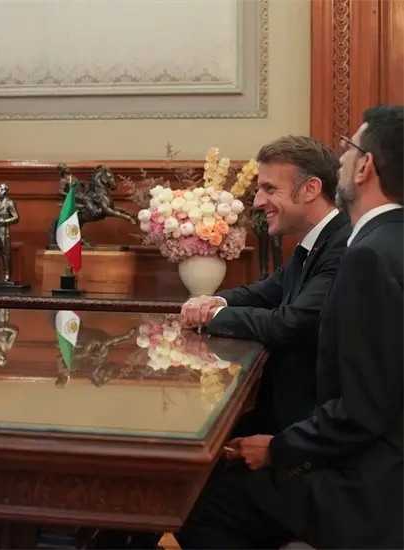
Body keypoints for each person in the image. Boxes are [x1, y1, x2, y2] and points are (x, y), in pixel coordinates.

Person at [171, 105, 404, 550]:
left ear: (366, 167)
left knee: (195, 502)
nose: (341, 161)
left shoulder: (368, 254)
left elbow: (364, 409)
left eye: (348, 150)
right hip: (364, 459)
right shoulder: (381, 242)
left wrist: (280, 449)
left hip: (371, 488)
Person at [180, 136, 350, 437]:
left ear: (311, 189)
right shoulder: (313, 242)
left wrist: (211, 317)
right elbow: (263, 293)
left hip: (310, 434)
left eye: (269, 189)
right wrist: (213, 301)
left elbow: (293, 324)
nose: (258, 202)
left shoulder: (342, 245)